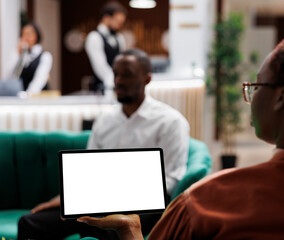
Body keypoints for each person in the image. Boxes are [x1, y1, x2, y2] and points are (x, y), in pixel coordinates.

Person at [78, 31, 284, 239]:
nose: (249, 95)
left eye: (256, 85)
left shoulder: (209, 200)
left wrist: (130, 229)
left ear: (282, 96)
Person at [17, 48, 190, 239]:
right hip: (97, 202)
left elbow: (172, 180)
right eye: (116, 74)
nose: (118, 81)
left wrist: (115, 195)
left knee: (101, 227)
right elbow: (88, 172)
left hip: (144, 206)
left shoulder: (171, 121)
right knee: (29, 222)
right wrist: (66, 198)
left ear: (147, 79)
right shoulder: (105, 120)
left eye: (127, 75)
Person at [85, 1, 127, 95]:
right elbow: (100, 67)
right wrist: (114, 83)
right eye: (117, 22)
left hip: (118, 87)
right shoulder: (94, 37)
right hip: (102, 90)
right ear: (106, 18)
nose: (119, 26)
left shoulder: (119, 38)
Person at [10, 22, 52, 95]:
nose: (26, 38)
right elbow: (10, 77)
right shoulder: (21, 56)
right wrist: (17, 54)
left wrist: (28, 94)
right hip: (22, 98)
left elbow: (39, 80)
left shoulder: (45, 56)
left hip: (38, 98)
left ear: (36, 36)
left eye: (29, 34)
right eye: (23, 34)